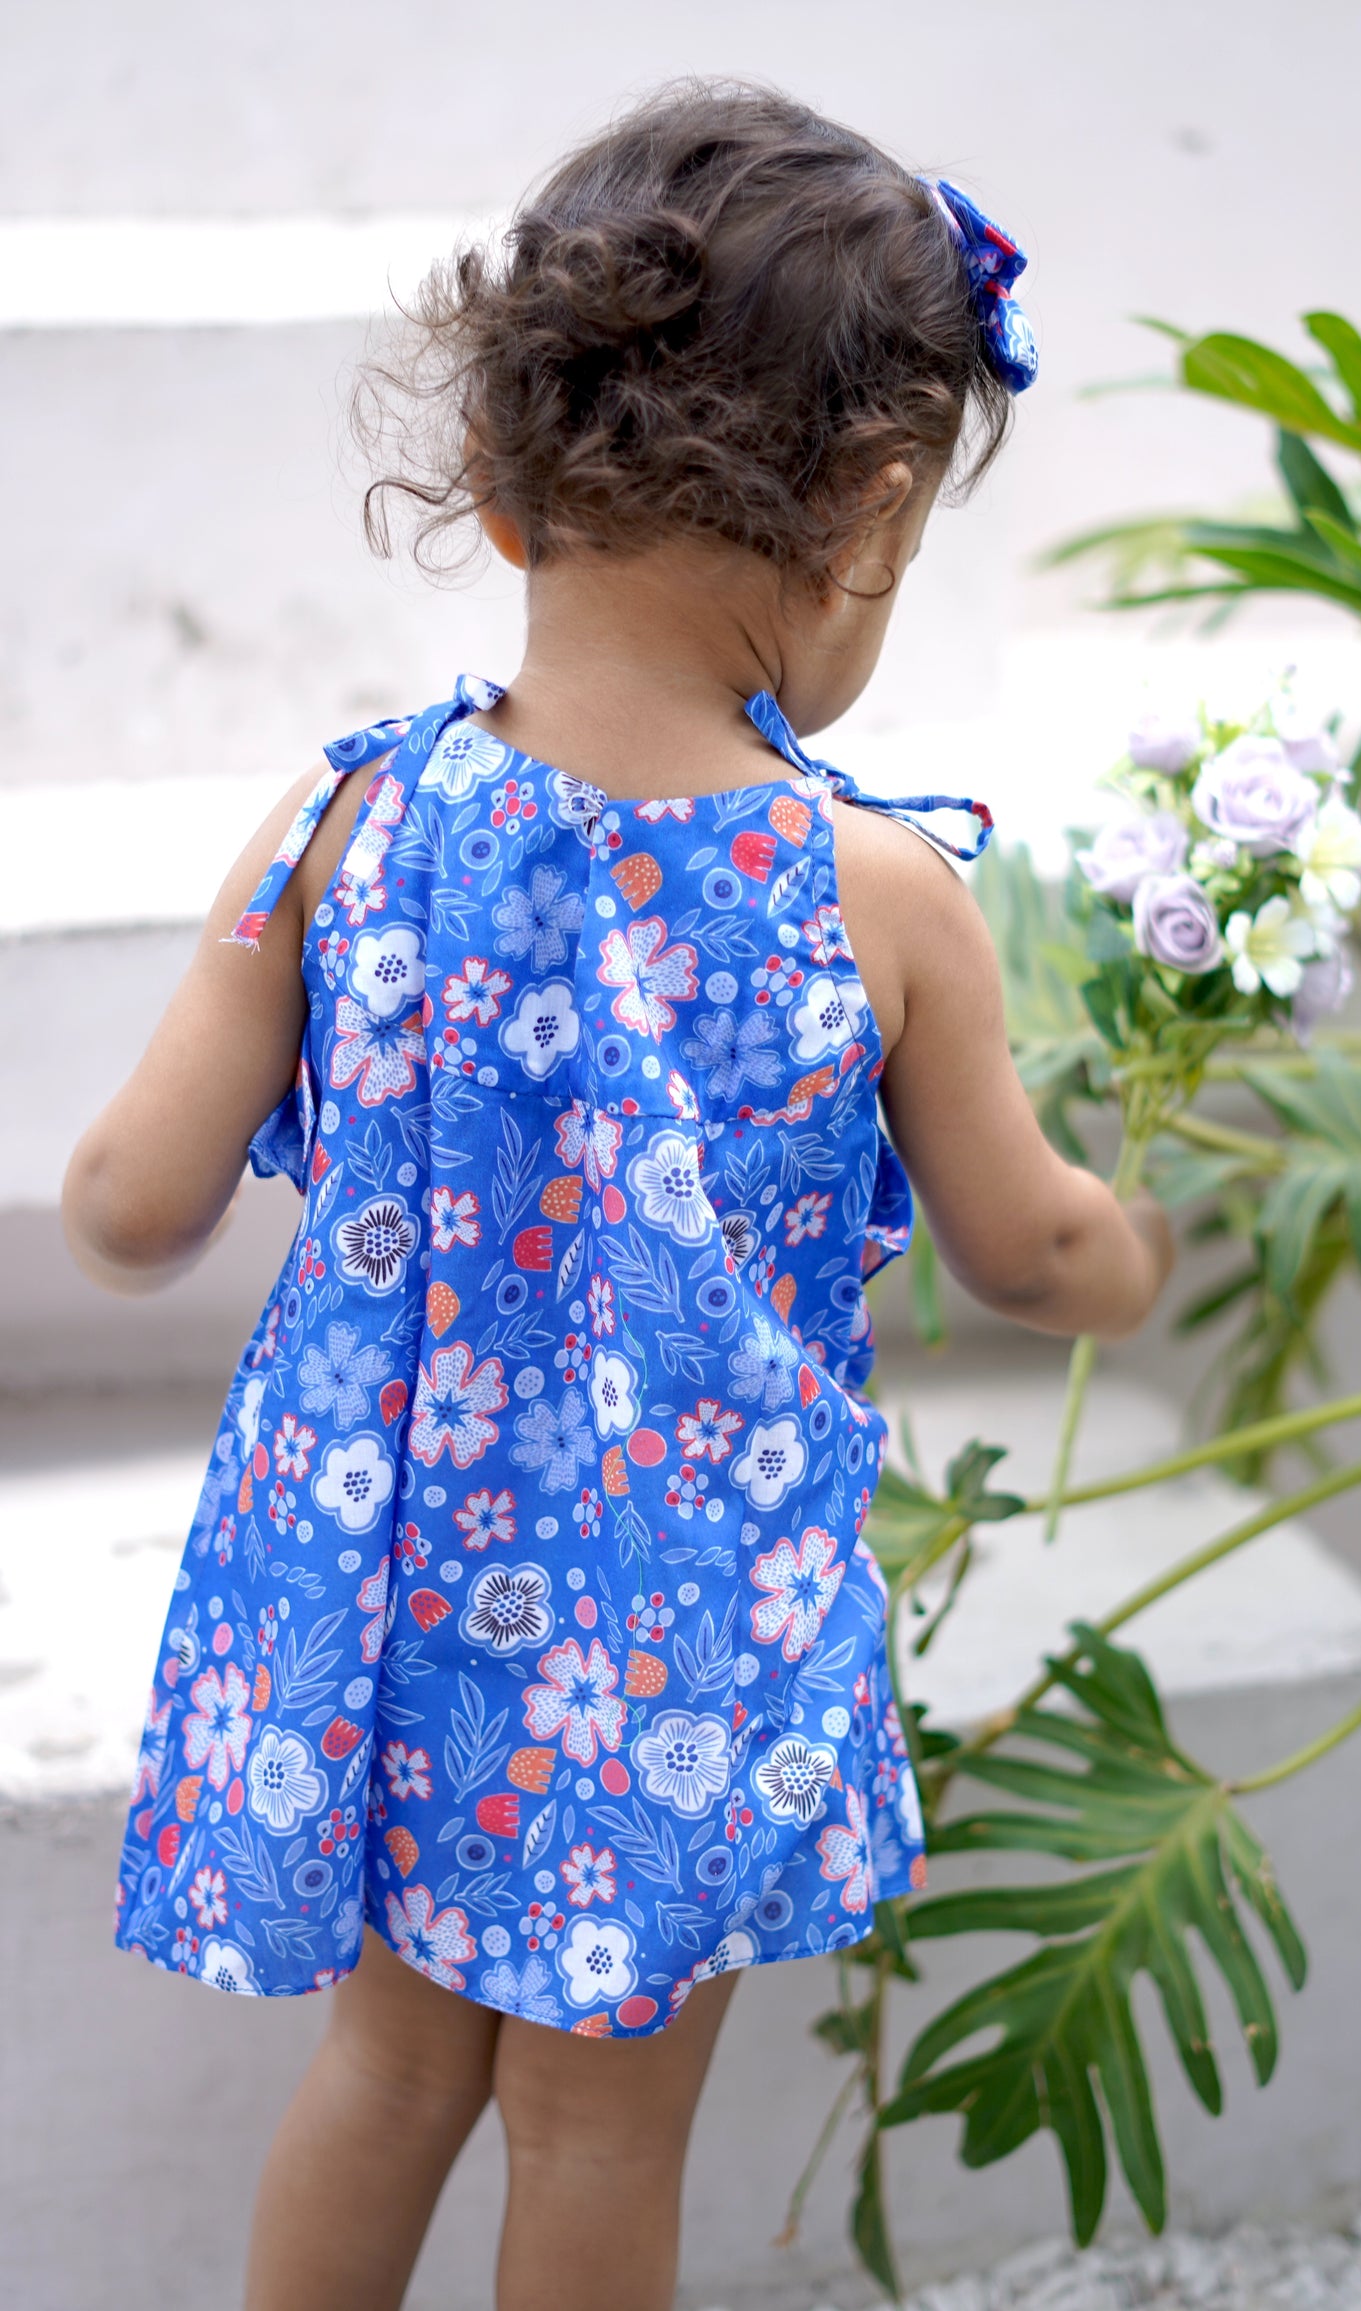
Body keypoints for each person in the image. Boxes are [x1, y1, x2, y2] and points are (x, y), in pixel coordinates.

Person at [64, 79, 1172, 2311]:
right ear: (869, 513)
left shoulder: (345, 821)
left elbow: (125, 1202)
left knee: (385, 2080)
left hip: (387, 1606)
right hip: (673, 1630)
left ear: (493, 477)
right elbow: (1025, 1242)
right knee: (595, 2120)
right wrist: (1128, 1241)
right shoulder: (875, 893)